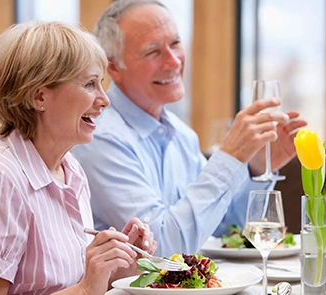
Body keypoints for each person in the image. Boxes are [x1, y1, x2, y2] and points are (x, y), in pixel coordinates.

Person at [0, 21, 156, 295]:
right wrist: (87, 288)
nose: (104, 100)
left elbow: (66, 285)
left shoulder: (70, 170)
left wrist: (118, 266)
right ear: (40, 97)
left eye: (101, 84)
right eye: (90, 84)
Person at [71, 0, 307, 256]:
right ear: (113, 66)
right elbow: (162, 248)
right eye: (152, 51)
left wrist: (257, 166)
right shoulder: (100, 138)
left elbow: (222, 228)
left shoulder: (182, 135)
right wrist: (230, 157)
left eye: (175, 43)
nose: (173, 62)